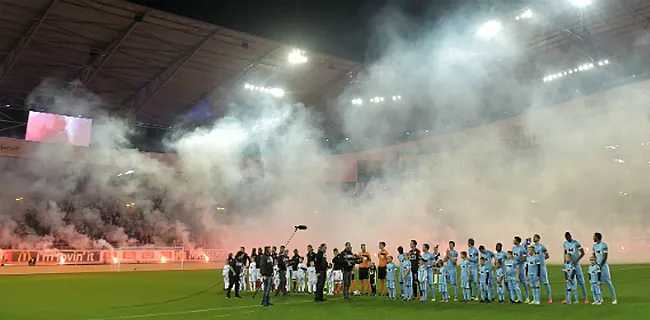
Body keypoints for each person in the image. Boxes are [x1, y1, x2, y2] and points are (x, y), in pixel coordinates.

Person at [563, 232, 588, 304]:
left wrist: (576, 260)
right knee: (567, 281)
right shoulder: (565, 244)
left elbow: (583, 253)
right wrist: (565, 262)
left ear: (571, 236)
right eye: (566, 237)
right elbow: (565, 253)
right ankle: (567, 298)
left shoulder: (576, 243)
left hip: (576, 265)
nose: (567, 238)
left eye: (568, 237)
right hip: (569, 265)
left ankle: (585, 298)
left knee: (581, 282)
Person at [593, 232, 617, 304]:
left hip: (604, 266)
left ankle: (614, 298)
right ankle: (600, 299)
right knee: (599, 283)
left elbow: (605, 255)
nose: (593, 238)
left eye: (594, 237)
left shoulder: (604, 245)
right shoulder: (594, 246)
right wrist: (595, 264)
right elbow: (594, 255)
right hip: (597, 266)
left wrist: (601, 264)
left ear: (597, 237)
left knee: (608, 282)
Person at [532, 234, 552, 303]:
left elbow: (547, 256)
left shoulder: (542, 247)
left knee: (546, 282)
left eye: (535, 237)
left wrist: (542, 260)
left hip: (542, 267)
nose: (534, 239)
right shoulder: (532, 247)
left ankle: (549, 298)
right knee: (536, 283)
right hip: (535, 267)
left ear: (538, 239)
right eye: (533, 237)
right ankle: (537, 299)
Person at [512, 236, 530, 302]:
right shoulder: (513, 248)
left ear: (517, 241)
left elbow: (525, 258)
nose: (513, 241)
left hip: (520, 266)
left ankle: (527, 297)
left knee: (523, 282)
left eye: (514, 240)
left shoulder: (522, 249)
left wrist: (519, 261)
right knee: (516, 281)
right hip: (514, 267)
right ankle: (519, 298)